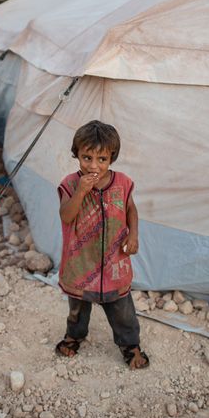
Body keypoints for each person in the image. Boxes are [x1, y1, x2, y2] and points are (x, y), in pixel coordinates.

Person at [54, 120, 149, 369]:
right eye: (87, 158)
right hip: (81, 262)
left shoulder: (123, 183)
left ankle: (130, 345)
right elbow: (66, 216)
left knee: (122, 309)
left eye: (102, 159)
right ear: (76, 154)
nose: (94, 166)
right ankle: (74, 336)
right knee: (77, 307)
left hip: (113, 261)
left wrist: (134, 235)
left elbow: (131, 209)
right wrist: (81, 193)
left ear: (112, 158)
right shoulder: (70, 184)